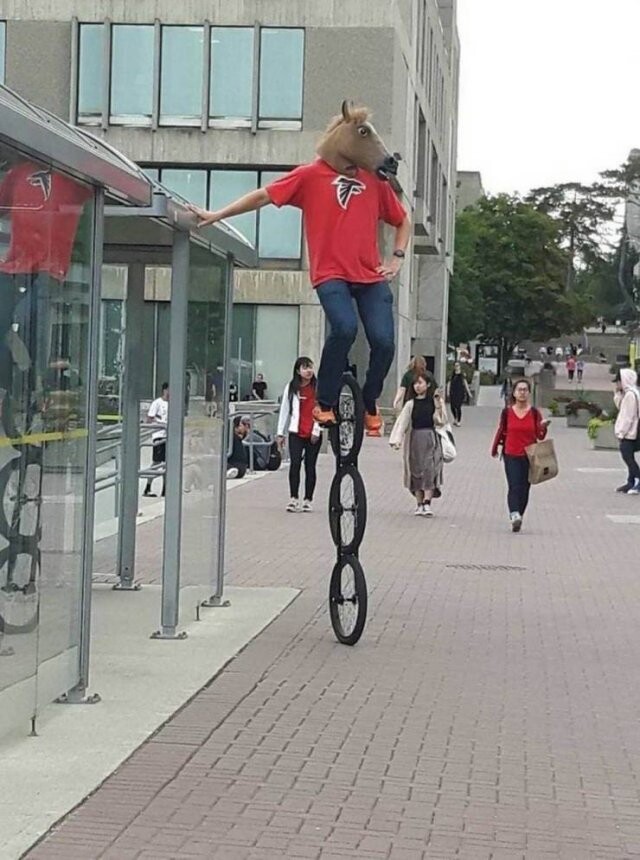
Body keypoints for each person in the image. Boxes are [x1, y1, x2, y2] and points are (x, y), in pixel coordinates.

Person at [188, 100, 411, 437]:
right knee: (344, 328)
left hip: (369, 275)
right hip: (331, 274)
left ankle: (370, 398)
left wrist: (397, 257)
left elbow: (402, 220)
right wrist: (216, 214)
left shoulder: (373, 182)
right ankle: (324, 400)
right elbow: (262, 196)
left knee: (384, 342)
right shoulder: (310, 176)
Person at [491, 378, 550, 532]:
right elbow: (502, 430)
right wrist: (495, 447)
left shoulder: (534, 413)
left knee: (525, 487)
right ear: (514, 393)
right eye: (519, 390)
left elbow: (540, 435)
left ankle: (519, 515)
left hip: (529, 455)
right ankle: (514, 513)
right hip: (511, 453)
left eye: (525, 390)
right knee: (514, 485)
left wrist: (543, 427)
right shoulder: (508, 412)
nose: (522, 393)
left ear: (529, 393)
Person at [389, 373, 447, 517]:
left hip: (430, 438)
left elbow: (441, 420)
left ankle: (427, 502)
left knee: (430, 469)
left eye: (420, 383)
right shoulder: (410, 404)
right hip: (414, 439)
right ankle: (419, 503)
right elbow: (402, 422)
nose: (417, 386)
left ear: (428, 385)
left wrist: (439, 404)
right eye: (415, 384)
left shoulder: (434, 402)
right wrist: (397, 439)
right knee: (415, 471)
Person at [276, 357, 322, 512]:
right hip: (296, 432)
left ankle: (308, 499)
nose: (308, 371)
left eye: (310, 367)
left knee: (310, 466)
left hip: (313, 433)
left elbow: (323, 410)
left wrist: (317, 430)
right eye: (305, 367)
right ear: (298, 371)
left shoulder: (318, 387)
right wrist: (280, 433)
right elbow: (284, 410)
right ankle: (293, 498)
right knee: (295, 464)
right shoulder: (291, 387)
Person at [613, 368, 640, 494]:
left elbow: (628, 416)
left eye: (618, 381)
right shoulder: (629, 393)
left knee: (627, 456)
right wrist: (618, 394)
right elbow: (620, 406)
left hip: (631, 432)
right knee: (629, 456)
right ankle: (630, 482)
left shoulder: (630, 395)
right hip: (631, 432)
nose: (617, 384)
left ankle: (637, 480)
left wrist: (621, 432)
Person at [144, 383, 169, 497]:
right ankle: (148, 487)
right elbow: (149, 418)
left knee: (167, 464)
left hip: (169, 436)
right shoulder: (157, 403)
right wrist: (161, 422)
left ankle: (165, 489)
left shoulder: (173, 404)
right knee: (156, 462)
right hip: (159, 435)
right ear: (164, 390)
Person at [447, 362, 472, 427]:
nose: (456, 367)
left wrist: (469, 392)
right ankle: (455, 418)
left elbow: (465, 383)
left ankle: (458, 421)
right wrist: (447, 391)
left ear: (460, 366)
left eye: (457, 365)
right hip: (453, 392)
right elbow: (449, 383)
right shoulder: (452, 374)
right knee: (452, 407)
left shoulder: (462, 375)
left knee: (458, 407)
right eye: (455, 365)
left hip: (460, 392)